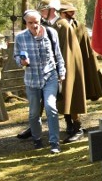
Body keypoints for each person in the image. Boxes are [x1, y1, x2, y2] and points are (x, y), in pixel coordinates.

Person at [14, 10, 66, 153]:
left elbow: (58, 55)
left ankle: (54, 143)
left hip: (50, 76)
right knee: (34, 113)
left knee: (50, 107)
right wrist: (22, 61)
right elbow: (16, 57)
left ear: (40, 20)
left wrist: (62, 72)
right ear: (26, 23)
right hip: (32, 80)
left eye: (36, 22)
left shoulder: (50, 33)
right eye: (30, 23)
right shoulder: (20, 38)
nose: (34, 25)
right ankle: (37, 139)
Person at [38, 0, 87, 143]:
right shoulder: (48, 25)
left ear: (51, 10)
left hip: (65, 67)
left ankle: (77, 127)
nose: (41, 13)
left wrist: (62, 71)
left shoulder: (63, 26)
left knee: (70, 97)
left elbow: (67, 51)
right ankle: (69, 125)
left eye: (43, 10)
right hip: (50, 68)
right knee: (60, 99)